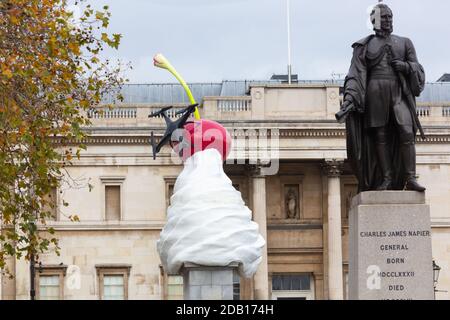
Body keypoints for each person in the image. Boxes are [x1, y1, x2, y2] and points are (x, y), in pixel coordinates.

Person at [341, 3, 426, 192]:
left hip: (398, 92)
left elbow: (418, 70)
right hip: (375, 92)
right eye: (383, 18)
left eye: (390, 17)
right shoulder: (364, 46)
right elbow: (355, 75)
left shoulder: (405, 42)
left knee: (406, 131)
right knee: (380, 136)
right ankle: (386, 178)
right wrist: (349, 99)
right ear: (373, 21)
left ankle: (410, 177)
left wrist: (406, 67)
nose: (387, 21)